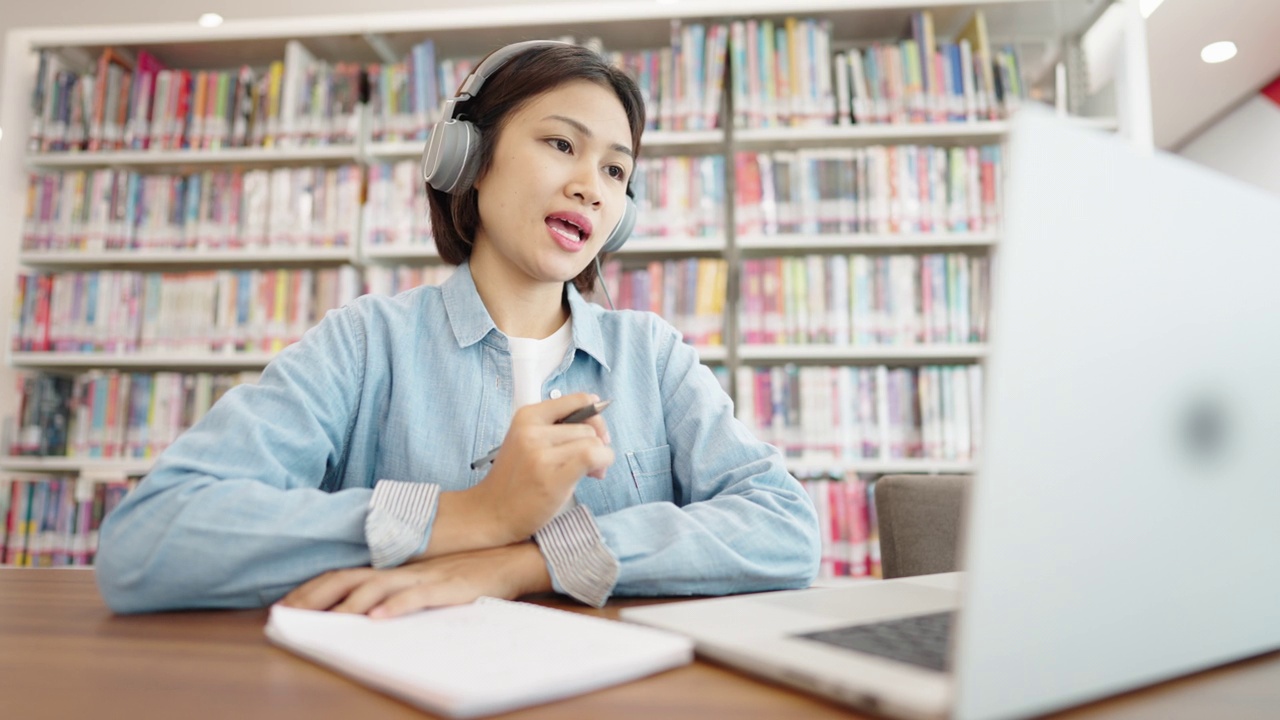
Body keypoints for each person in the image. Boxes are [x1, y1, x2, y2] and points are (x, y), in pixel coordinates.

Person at [95, 41, 820, 616]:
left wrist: (528, 560)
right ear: (468, 158)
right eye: (562, 145)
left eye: (615, 170)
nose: (589, 186)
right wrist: (471, 515)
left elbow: (785, 528)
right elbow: (150, 540)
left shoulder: (652, 356)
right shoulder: (365, 343)